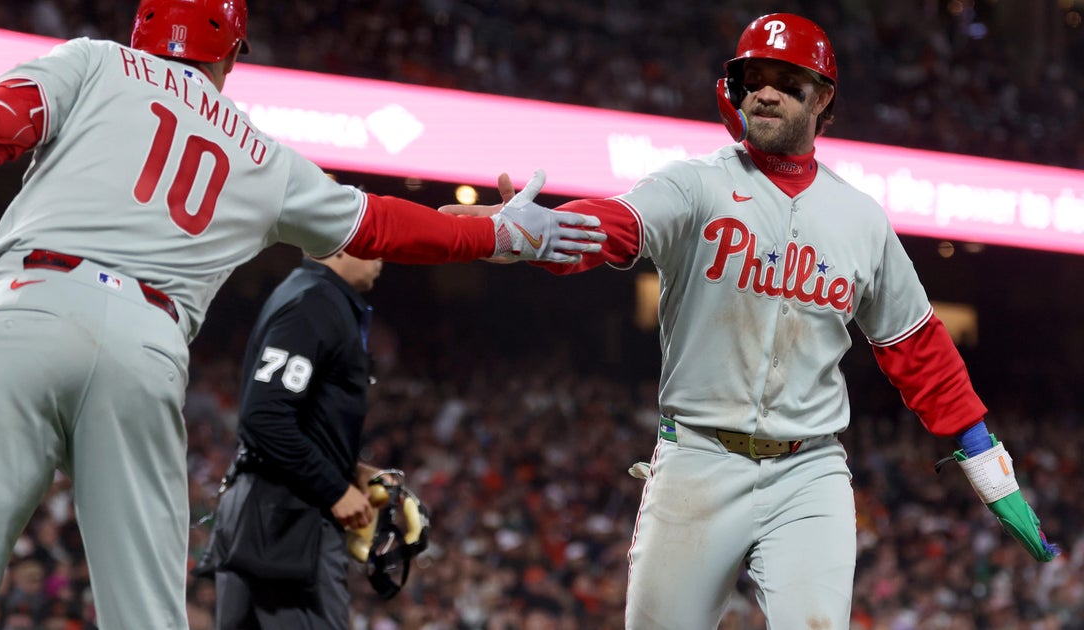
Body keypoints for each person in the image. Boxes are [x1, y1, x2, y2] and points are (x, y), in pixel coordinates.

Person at [0, 0, 606, 627]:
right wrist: (496, 233)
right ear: (230, 55)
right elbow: (379, 224)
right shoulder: (260, 152)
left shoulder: (94, 61)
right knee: (146, 616)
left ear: (143, 27)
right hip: (145, 341)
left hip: (28, 306)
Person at [445, 13, 1060, 629]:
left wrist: (987, 464)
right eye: (753, 78)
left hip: (809, 469)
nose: (765, 92)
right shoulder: (694, 184)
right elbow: (619, 224)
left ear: (822, 99)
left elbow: (917, 345)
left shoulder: (860, 219)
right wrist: (536, 233)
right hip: (697, 458)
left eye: (788, 82)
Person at [192, 251, 389, 629]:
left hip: (266, 519)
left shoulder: (308, 293)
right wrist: (335, 488)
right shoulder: (314, 302)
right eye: (369, 242)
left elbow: (291, 419)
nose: (380, 256)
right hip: (288, 528)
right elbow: (265, 418)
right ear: (339, 244)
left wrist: (348, 469)